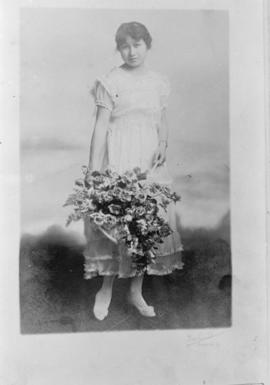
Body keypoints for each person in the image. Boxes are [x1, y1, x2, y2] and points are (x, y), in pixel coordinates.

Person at [84, 21, 183, 321]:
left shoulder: (158, 81)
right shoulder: (111, 80)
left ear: (147, 45)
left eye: (137, 45)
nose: (131, 52)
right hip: (121, 158)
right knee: (119, 224)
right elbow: (101, 126)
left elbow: (161, 118)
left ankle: (136, 291)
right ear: (118, 48)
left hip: (149, 161)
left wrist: (163, 141)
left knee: (146, 225)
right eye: (125, 45)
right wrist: (93, 169)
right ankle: (106, 289)